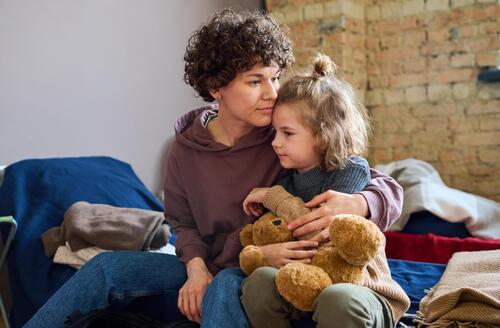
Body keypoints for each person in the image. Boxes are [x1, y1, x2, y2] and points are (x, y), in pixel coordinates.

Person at [24, 9, 403, 328]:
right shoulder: (184, 149)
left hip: (252, 264)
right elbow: (182, 224)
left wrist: (359, 204)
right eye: (255, 81)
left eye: (274, 77)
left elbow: (375, 179)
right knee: (106, 267)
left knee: (225, 286)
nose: (272, 93)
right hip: (209, 262)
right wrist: (194, 267)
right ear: (216, 87)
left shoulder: (281, 136)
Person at [240, 54, 410, 328]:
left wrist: (273, 197)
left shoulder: (349, 169)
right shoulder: (286, 181)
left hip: (361, 288)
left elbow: (318, 229)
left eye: (288, 133)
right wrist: (265, 253)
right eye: (275, 133)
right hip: (304, 284)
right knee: (259, 281)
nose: (275, 143)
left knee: (337, 298)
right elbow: (276, 232)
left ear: (323, 135)